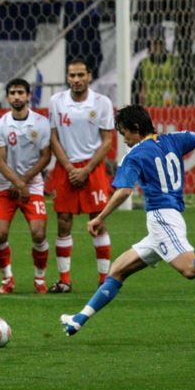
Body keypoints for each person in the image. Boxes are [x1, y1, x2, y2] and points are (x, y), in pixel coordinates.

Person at [60, 105, 195, 336]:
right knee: (117, 270)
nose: (124, 139)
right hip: (169, 218)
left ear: (135, 128)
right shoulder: (175, 138)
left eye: (124, 133)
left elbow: (124, 191)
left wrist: (100, 217)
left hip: (162, 219)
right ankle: (79, 319)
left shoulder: (134, 155)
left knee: (189, 269)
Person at [48, 58, 115, 293]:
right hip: (65, 167)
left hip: (92, 167)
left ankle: (104, 280)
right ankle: (64, 280)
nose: (76, 80)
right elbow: (53, 137)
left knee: (98, 220)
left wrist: (86, 170)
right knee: (63, 221)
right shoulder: (56, 101)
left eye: (80, 75)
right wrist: (69, 168)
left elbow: (107, 141)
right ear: (67, 77)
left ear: (89, 76)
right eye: (72, 75)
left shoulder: (102, 102)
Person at [0, 78, 52, 294]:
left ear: (28, 96)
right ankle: (7, 279)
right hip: (5, 186)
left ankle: (39, 278)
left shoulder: (41, 123)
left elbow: (45, 157)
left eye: (20, 92)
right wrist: (17, 182)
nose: (16, 97)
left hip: (33, 185)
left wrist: (23, 182)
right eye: (12, 93)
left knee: (38, 233)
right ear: (7, 97)